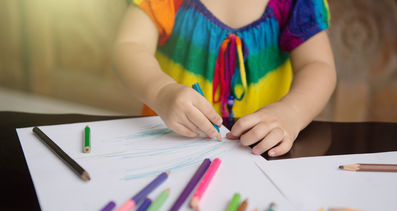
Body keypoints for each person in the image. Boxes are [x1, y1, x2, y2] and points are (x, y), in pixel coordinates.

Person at [112, 0, 337, 157]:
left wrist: (292, 113)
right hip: (168, 143)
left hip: (258, 152)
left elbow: (318, 65)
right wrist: (161, 91)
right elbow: (129, 47)